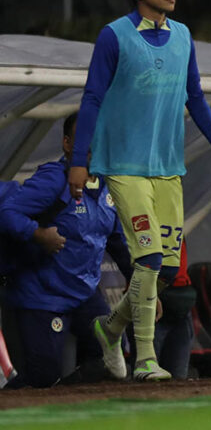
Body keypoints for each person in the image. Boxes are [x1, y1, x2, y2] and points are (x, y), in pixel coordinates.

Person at [70, 0, 211, 382]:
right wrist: (79, 161)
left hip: (167, 168)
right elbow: (91, 98)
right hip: (124, 167)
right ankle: (145, 358)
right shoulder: (114, 36)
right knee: (146, 257)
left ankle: (110, 329)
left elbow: (196, 97)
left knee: (164, 270)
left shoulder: (182, 36)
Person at [0, 111, 132, 387]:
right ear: (68, 144)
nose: (94, 149)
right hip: (41, 297)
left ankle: (69, 403)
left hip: (85, 295)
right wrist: (37, 234)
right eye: (85, 141)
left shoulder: (109, 189)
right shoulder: (53, 180)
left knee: (111, 363)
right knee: (41, 378)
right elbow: (7, 211)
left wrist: (143, 288)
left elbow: (119, 243)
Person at [153, 240, 195, 380]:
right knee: (149, 377)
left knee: (178, 378)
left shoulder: (177, 224)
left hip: (180, 307)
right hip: (151, 305)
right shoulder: (142, 222)